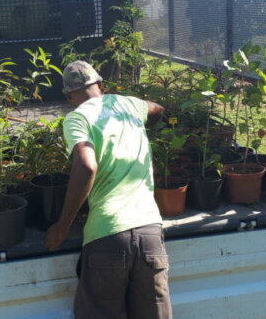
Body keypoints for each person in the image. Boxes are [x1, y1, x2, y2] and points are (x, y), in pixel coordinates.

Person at [44, 61, 172, 319]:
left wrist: (62, 227)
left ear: (69, 97)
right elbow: (158, 109)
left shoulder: (77, 118)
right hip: (150, 234)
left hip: (107, 235)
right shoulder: (129, 104)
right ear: (101, 86)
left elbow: (86, 166)